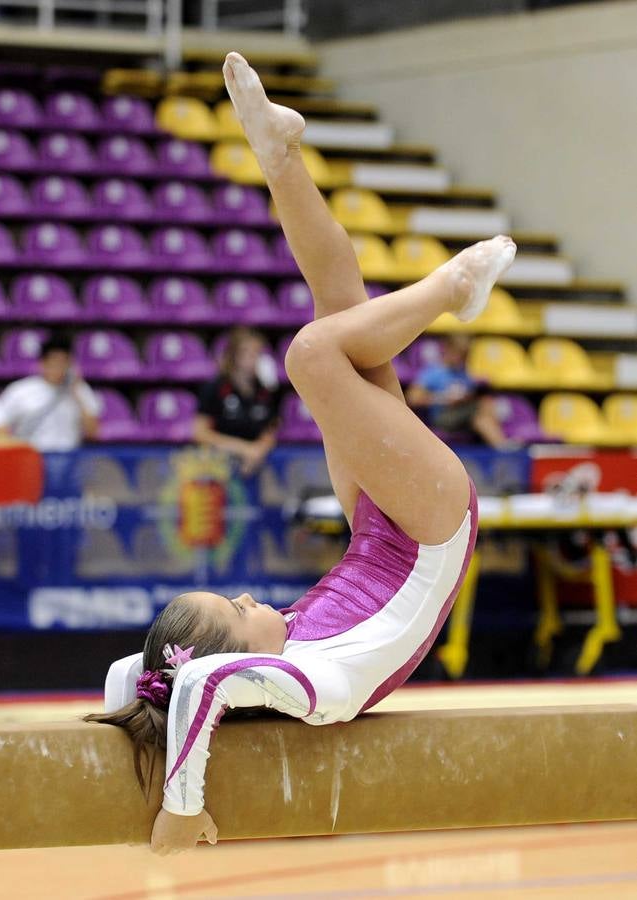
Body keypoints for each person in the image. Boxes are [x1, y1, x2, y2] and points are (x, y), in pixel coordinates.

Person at [85, 52, 517, 854]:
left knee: (338, 313)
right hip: (426, 531)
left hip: (373, 528)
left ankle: (279, 157)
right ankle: (448, 290)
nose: (256, 600)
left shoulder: (249, 666)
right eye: (240, 613)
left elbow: (141, 679)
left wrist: (157, 682)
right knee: (312, 356)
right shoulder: (311, 687)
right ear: (240, 668)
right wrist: (181, 805)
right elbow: (202, 679)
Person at [193, 326, 280, 476]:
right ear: (233, 355)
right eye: (246, 352)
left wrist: (259, 449)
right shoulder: (215, 388)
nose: (253, 358)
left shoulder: (265, 390)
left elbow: (272, 428)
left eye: (257, 353)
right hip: (217, 466)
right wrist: (244, 449)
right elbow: (200, 433)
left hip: (254, 465)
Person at [406, 334, 513, 448]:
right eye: (459, 354)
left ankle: (502, 447)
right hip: (443, 417)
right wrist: (444, 399)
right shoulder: (433, 372)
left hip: (464, 414)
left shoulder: (464, 373)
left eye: (464, 355)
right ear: (448, 349)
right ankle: (504, 447)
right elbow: (412, 398)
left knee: (481, 418)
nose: (462, 359)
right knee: (484, 406)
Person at [0, 337, 99, 451]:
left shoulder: (80, 390)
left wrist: (77, 395)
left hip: (69, 460)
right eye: (54, 361)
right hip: (32, 458)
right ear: (42, 363)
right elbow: (1, 428)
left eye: (64, 361)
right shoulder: (19, 390)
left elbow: (93, 432)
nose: (59, 366)